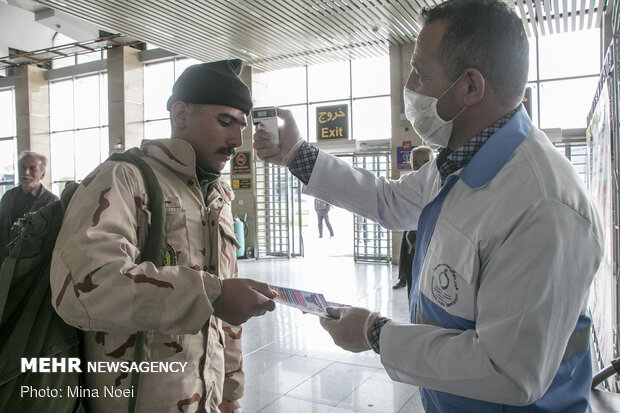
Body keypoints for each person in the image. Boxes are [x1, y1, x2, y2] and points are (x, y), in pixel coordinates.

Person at [253, 1, 603, 411]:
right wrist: (296, 154)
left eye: (420, 72)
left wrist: (376, 334)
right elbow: (388, 201)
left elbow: (507, 371)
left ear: (470, 87)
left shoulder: (543, 206)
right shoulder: (457, 161)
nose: (410, 85)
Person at [51, 59, 276, 413]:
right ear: (181, 114)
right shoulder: (124, 179)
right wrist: (211, 295)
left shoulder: (218, 197)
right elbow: (82, 288)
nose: (236, 140)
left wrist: (230, 390)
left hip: (205, 397)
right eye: (225, 122)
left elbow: (225, 311)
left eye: (242, 127)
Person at [0, 151, 58, 264]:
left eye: (32, 168)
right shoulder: (8, 197)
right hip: (5, 263)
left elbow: (52, 242)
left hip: (33, 267)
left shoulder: (52, 202)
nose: (26, 172)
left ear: (42, 174)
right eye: (22, 167)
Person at [393, 146, 432, 290]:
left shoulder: (443, 185)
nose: (421, 168)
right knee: (412, 288)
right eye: (416, 164)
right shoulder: (407, 187)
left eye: (426, 163)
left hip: (432, 252)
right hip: (411, 247)